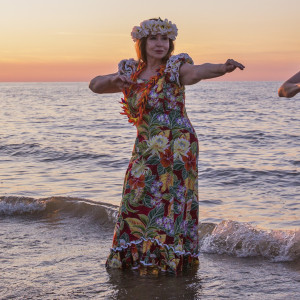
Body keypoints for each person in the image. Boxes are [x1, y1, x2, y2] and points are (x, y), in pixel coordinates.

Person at [89, 18, 244, 274]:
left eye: (165, 39)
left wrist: (223, 67)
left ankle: (169, 260)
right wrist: (114, 81)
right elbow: (94, 85)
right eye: (154, 39)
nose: (160, 44)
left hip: (178, 148)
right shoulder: (130, 72)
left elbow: (197, 72)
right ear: (142, 42)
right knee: (136, 199)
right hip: (145, 148)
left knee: (171, 202)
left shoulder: (175, 68)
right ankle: (135, 258)